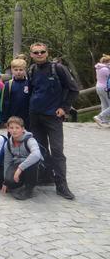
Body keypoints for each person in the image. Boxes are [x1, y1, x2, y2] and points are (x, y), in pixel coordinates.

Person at [27, 42, 79, 200]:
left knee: (57, 150)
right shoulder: (32, 70)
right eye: (36, 52)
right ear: (31, 54)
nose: (39, 54)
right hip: (36, 115)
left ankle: (61, 184)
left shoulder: (58, 69)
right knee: (41, 149)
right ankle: (47, 176)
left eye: (42, 52)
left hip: (53, 116)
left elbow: (73, 89)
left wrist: (64, 107)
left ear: (47, 53)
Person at [2, 116, 43, 201]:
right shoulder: (8, 144)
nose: (14, 130)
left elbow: (36, 155)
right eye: (11, 128)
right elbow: (7, 161)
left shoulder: (29, 140)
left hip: (32, 166)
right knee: (9, 181)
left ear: (23, 129)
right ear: (8, 129)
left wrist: (20, 168)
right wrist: (5, 182)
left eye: (17, 128)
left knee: (32, 163)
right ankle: (21, 184)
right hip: (17, 164)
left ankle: (29, 188)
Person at [1, 58, 30, 127]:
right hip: (13, 118)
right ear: (12, 70)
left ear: (25, 70)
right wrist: (5, 119)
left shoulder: (29, 83)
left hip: (27, 119)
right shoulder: (8, 84)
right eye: (16, 70)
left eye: (21, 70)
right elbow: (5, 103)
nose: (18, 72)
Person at [93, 54, 110, 126]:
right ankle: (99, 117)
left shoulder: (98, 68)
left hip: (98, 87)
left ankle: (104, 121)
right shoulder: (106, 69)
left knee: (104, 104)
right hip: (105, 88)